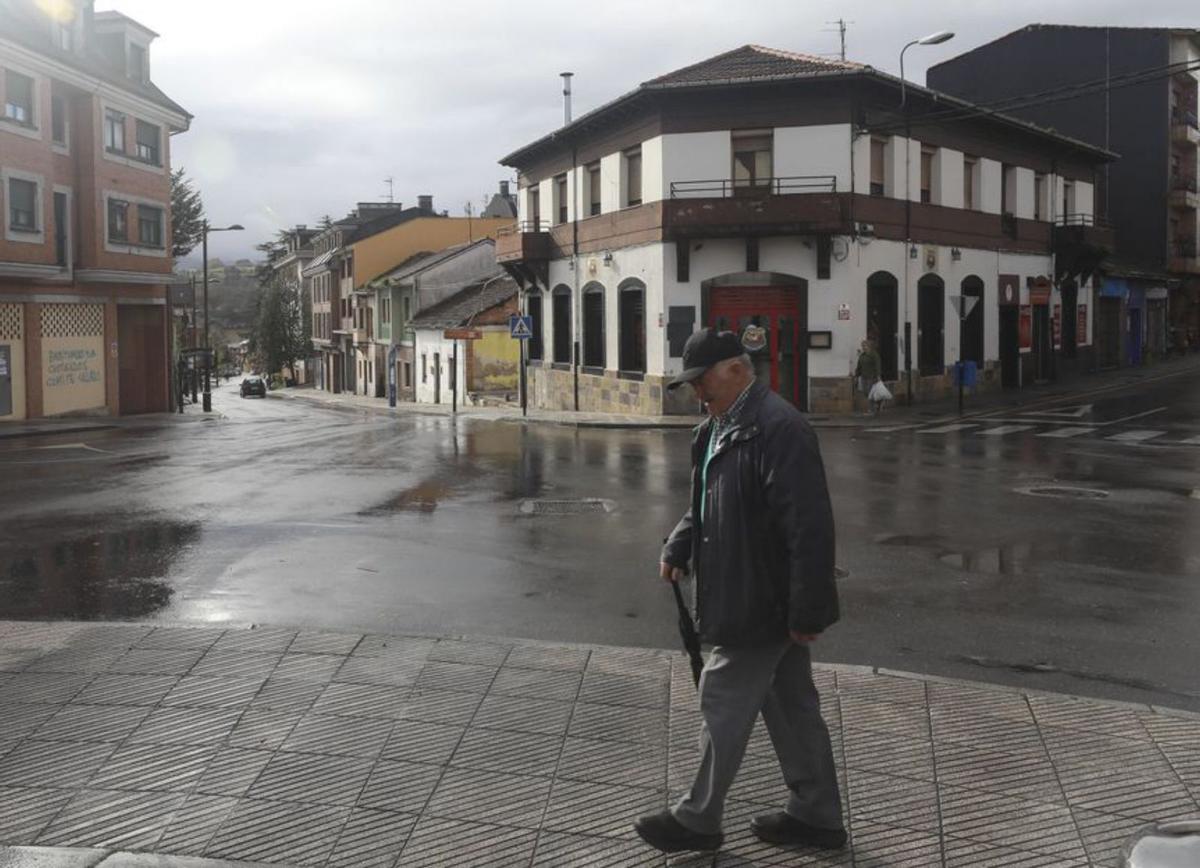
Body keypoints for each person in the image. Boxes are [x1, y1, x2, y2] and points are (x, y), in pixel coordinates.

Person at [634, 328, 844, 855]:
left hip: (765, 600)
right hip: (746, 594)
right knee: (792, 706)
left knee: (723, 696)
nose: (697, 393)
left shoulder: (780, 428)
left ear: (736, 368)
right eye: (691, 385)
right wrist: (679, 545)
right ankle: (817, 817)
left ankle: (698, 818)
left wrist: (808, 608)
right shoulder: (714, 430)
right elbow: (704, 502)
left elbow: (809, 527)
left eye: (702, 381)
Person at [854, 338, 882, 415]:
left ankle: (871, 410)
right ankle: (878, 402)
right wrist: (856, 376)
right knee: (866, 392)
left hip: (872, 376)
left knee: (870, 393)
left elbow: (877, 365)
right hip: (864, 376)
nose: (863, 347)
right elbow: (859, 366)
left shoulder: (874, 355)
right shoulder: (862, 356)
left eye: (864, 345)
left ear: (869, 346)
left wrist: (878, 375)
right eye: (862, 346)